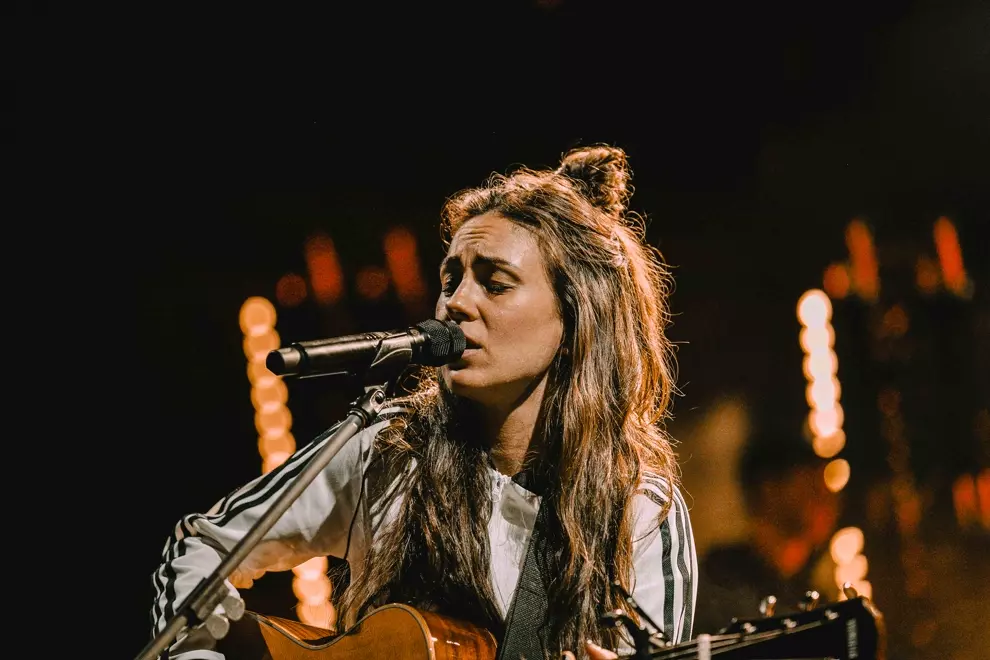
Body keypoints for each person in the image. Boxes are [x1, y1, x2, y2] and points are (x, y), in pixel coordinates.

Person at [148, 145, 698, 660]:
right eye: (450, 280)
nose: (455, 304)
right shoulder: (386, 451)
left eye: (495, 284)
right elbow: (201, 546)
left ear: (577, 319)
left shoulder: (640, 510)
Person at [693, 430, 840, 635]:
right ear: (769, 489)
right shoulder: (716, 583)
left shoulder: (814, 599)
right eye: (812, 485)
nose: (828, 499)